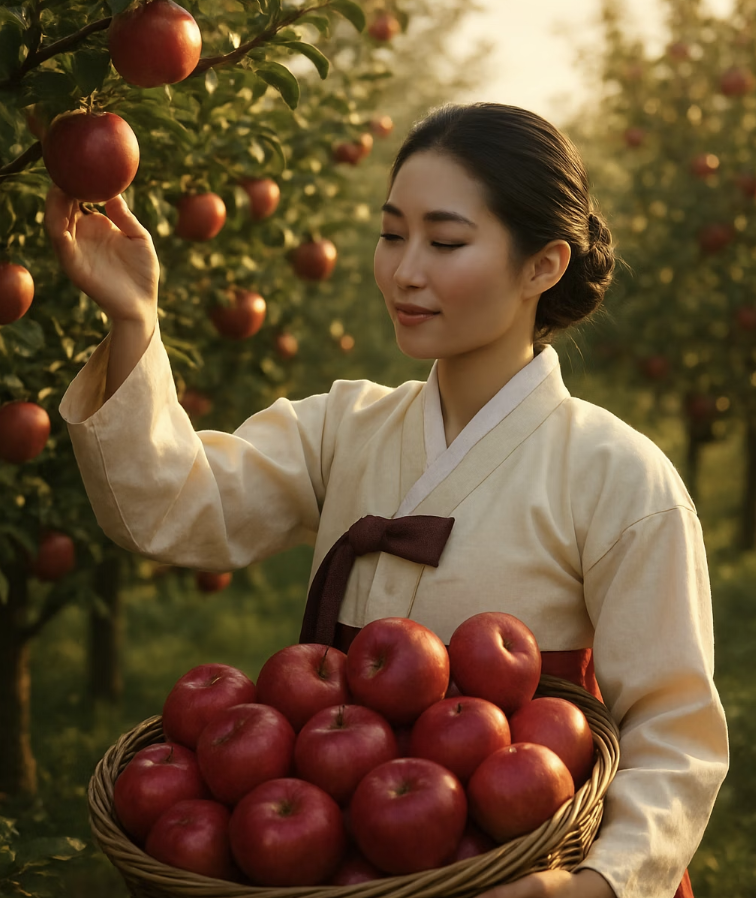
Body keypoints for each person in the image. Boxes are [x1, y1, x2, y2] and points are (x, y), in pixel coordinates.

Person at [47, 102, 728, 898]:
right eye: (391, 232)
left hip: (523, 862)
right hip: (347, 852)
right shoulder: (345, 425)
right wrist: (132, 318)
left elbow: (675, 732)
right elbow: (169, 506)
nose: (405, 270)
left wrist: (593, 885)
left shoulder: (617, 475)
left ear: (544, 265)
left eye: (444, 241)